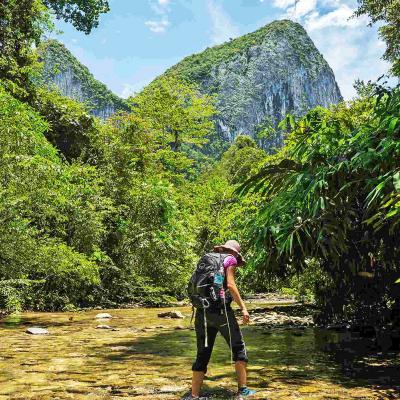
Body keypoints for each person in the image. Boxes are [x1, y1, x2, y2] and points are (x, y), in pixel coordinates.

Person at [189, 240, 256, 399]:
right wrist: (243, 308)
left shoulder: (207, 259)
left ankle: (194, 396)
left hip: (202, 312)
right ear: (234, 253)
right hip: (222, 313)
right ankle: (243, 391)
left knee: (202, 354)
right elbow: (231, 285)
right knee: (239, 348)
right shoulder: (229, 260)